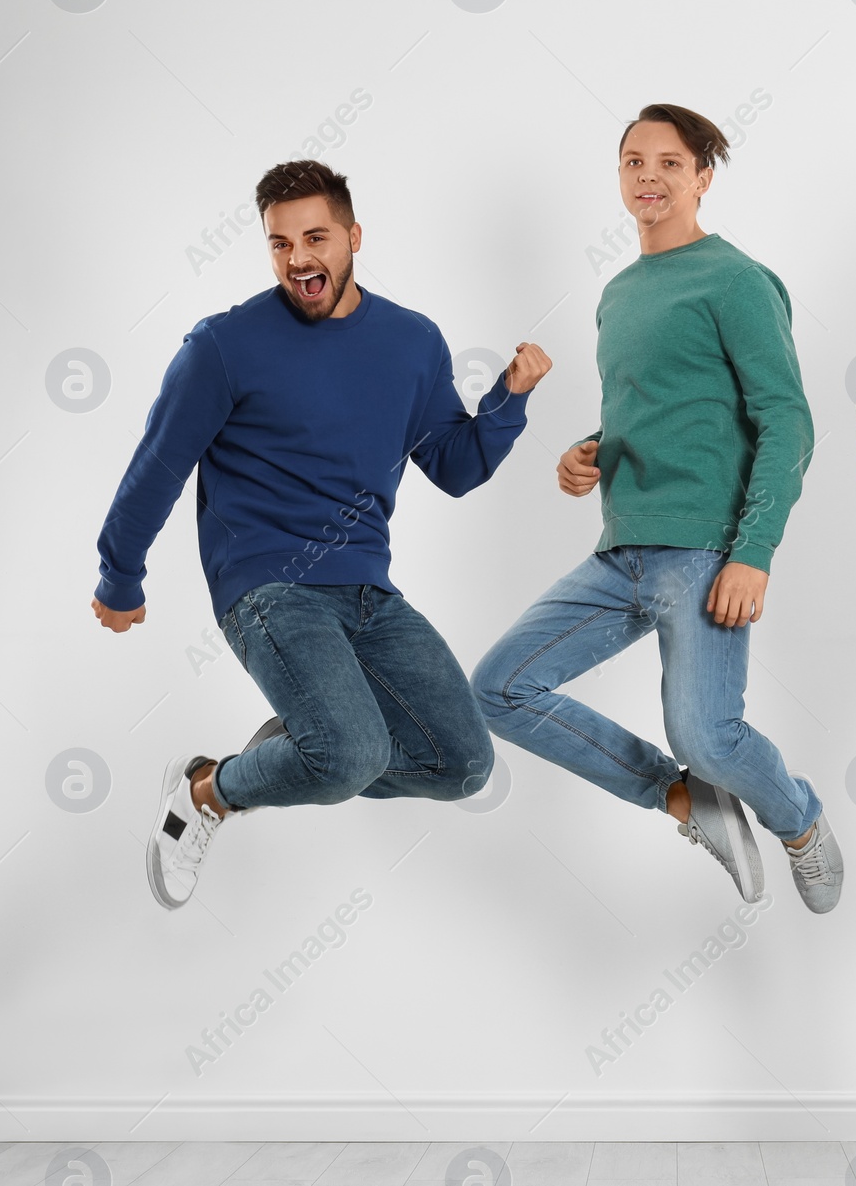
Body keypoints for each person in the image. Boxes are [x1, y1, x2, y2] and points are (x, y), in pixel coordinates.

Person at [90, 159, 551, 911]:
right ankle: (208, 790)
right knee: (350, 753)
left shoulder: (411, 341)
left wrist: (508, 401)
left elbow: (455, 467)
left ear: (352, 236)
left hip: (369, 591)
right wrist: (120, 575)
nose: (298, 258)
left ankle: (297, 747)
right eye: (279, 243)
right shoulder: (224, 345)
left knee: (464, 764)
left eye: (315, 237)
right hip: (269, 585)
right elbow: (159, 464)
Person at [471, 104, 841, 912]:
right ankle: (685, 801)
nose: (650, 176)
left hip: (705, 553)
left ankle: (801, 821)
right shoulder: (619, 293)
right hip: (621, 550)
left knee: (706, 736)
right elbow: (661, 406)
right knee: (496, 688)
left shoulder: (738, 281)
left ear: (703, 178)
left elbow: (788, 420)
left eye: (670, 163)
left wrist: (754, 551)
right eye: (634, 161)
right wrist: (592, 448)